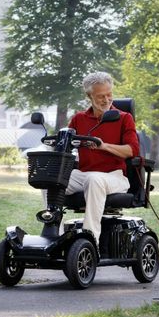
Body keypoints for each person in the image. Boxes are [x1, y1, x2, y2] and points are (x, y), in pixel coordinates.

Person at [65, 71, 140, 245]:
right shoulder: (78, 119)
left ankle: (90, 239)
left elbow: (132, 150)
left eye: (109, 95)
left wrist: (103, 145)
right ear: (89, 96)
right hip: (86, 175)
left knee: (94, 179)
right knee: (51, 179)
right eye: (100, 96)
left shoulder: (124, 118)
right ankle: (53, 230)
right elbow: (66, 144)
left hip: (115, 177)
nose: (106, 100)